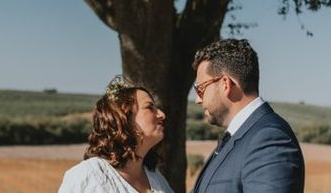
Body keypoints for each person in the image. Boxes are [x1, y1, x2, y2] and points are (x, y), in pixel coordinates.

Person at [191, 38, 305, 193]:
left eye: (200, 89)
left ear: (226, 84)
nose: (198, 99)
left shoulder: (268, 140)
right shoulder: (239, 137)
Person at [59, 76, 174, 193]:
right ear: (124, 117)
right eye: (150, 107)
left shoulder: (156, 177)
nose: (161, 114)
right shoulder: (87, 176)